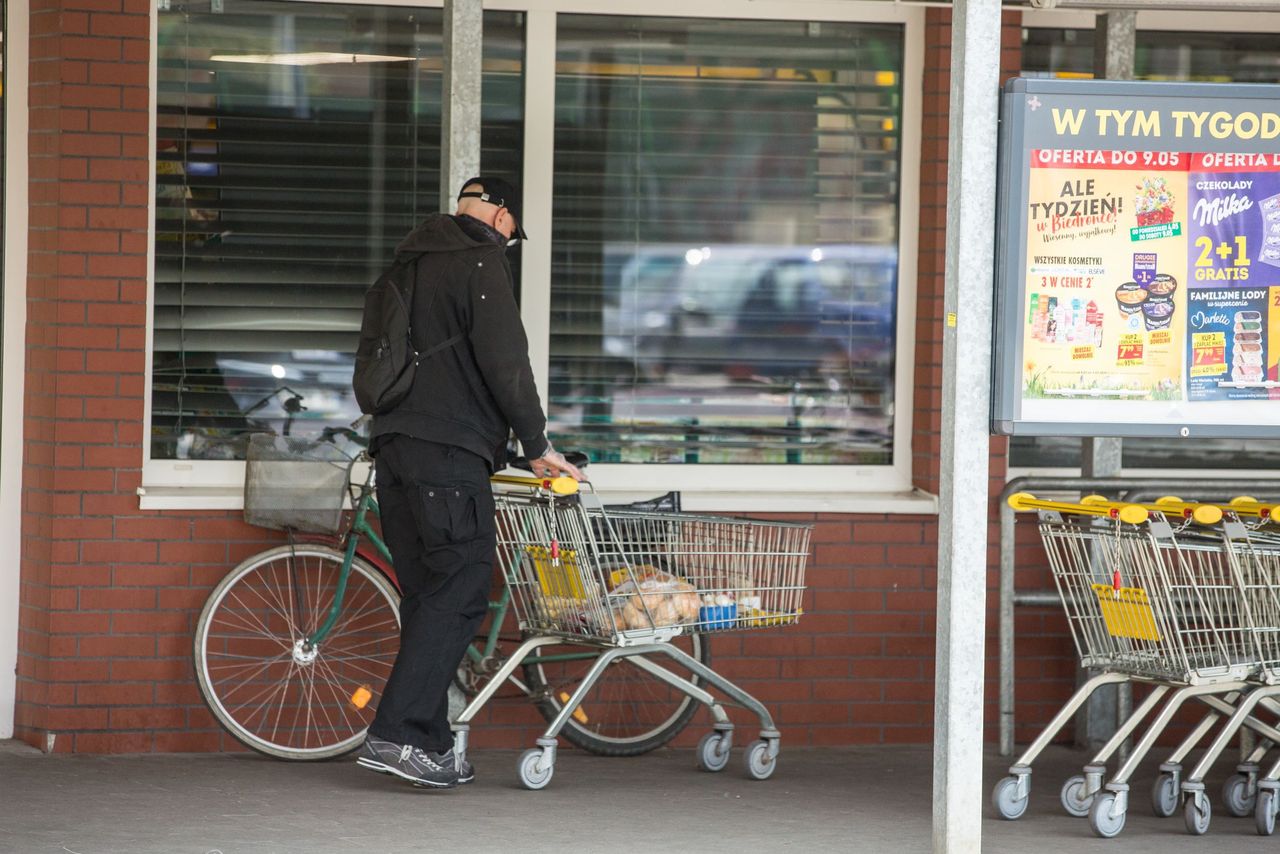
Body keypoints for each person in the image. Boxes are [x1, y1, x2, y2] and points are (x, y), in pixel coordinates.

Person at [356, 177, 582, 789]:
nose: (510, 241)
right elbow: (505, 359)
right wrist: (536, 446)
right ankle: (396, 735)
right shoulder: (480, 260)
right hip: (447, 457)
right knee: (460, 592)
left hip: (395, 448)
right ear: (501, 216)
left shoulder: (407, 262)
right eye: (513, 229)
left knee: (430, 597)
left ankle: (423, 743)